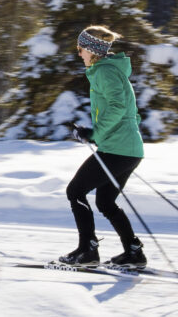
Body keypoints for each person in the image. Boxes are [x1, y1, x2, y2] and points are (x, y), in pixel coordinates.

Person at [59, 25, 147, 269]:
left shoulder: (104, 72)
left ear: (91, 50)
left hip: (117, 150)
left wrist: (96, 133)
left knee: (75, 191)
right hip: (127, 149)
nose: (79, 54)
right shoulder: (112, 71)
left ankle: (87, 250)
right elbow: (132, 114)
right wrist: (97, 134)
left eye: (80, 49)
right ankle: (133, 251)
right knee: (106, 203)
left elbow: (118, 108)